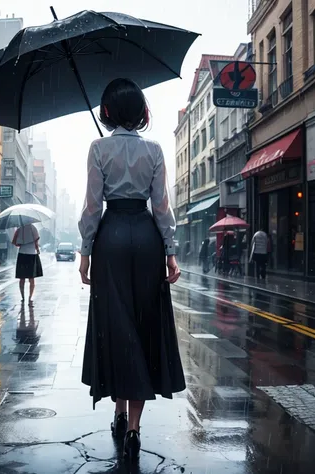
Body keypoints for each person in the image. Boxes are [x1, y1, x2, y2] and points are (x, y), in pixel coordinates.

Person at [78, 78, 185, 460]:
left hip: (111, 239)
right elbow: (162, 207)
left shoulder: (98, 148)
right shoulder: (154, 150)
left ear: (107, 112)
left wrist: (86, 251)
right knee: (144, 324)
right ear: (140, 112)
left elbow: (93, 206)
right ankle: (135, 428)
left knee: (116, 326)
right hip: (146, 238)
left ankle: (119, 412)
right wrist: (170, 251)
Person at [12, 223, 43, 304]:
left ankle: (23, 296)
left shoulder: (19, 229)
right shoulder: (33, 228)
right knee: (31, 278)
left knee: (22, 278)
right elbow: (36, 242)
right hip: (31, 255)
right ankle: (30, 297)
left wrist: (22, 241)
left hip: (22, 254)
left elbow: (15, 243)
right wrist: (37, 250)